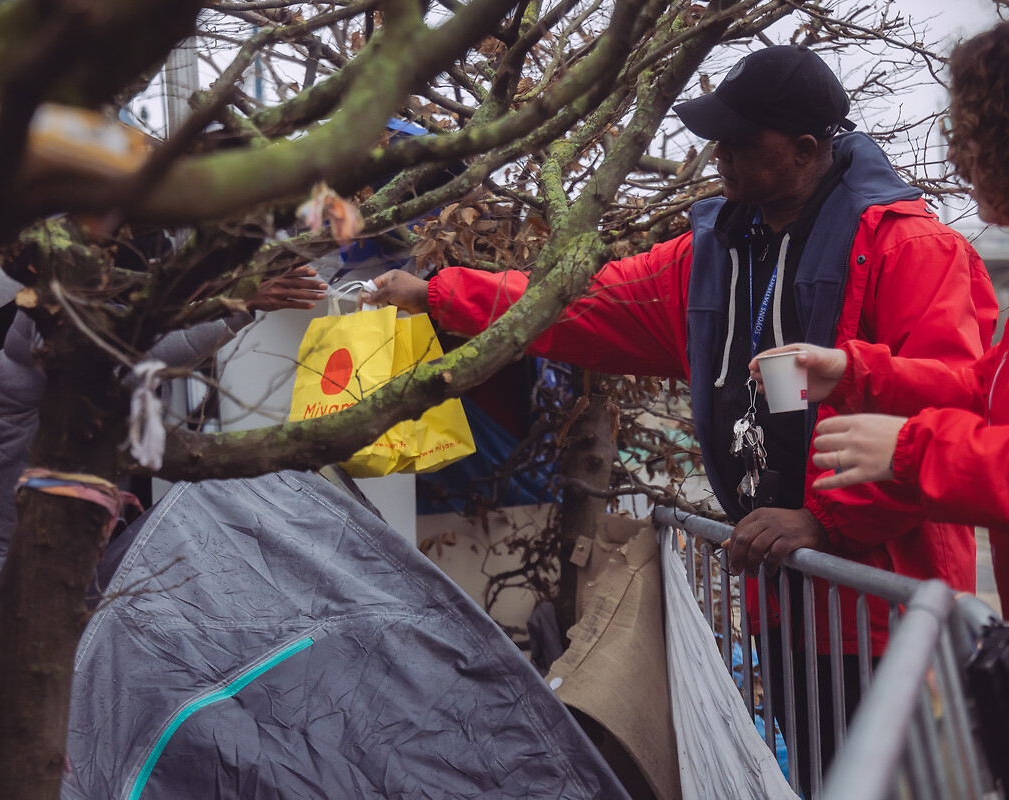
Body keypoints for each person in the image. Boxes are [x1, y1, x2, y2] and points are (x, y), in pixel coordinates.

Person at [362, 44, 999, 781]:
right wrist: (440, 293)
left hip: (887, 610)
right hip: (786, 598)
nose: (717, 152)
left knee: (899, 786)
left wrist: (830, 521)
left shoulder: (913, 249)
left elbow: (950, 403)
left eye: (738, 137)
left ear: (803, 149)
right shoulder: (714, 252)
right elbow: (580, 303)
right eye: (715, 133)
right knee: (825, 777)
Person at [750, 23, 1009, 614]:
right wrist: (851, 372)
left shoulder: (912, 243)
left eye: (971, 131)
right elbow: (978, 387)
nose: (956, 158)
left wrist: (913, 452)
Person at [0, 265, 326, 640]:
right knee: (35, 687)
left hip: (68, 539)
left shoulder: (102, 311)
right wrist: (235, 304)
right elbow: (132, 363)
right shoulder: (54, 320)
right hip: (18, 548)